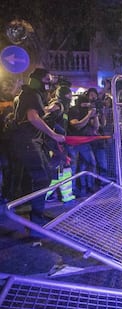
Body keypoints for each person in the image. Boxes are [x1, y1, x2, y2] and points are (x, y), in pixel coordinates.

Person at [11, 68, 65, 226]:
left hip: (30, 141)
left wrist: (50, 109)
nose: (49, 84)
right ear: (38, 80)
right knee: (42, 178)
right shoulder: (32, 94)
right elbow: (33, 117)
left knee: (45, 176)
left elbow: (35, 113)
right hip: (28, 141)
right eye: (47, 80)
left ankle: (37, 212)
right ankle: (36, 223)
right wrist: (54, 135)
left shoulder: (29, 94)